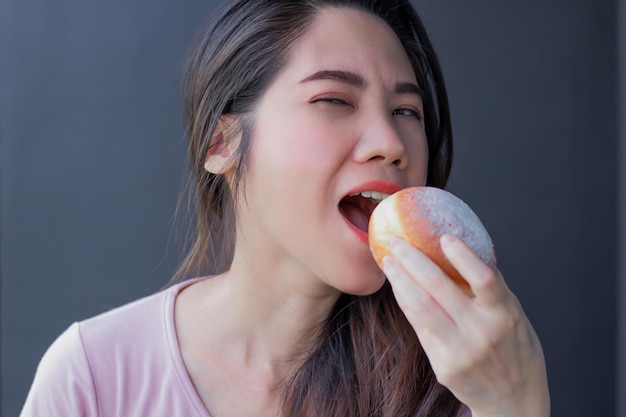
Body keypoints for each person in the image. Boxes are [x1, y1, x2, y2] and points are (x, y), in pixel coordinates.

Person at [20, 0, 551, 416]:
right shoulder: (92, 376)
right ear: (221, 144)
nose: (392, 141)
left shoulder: (463, 381)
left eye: (407, 110)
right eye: (334, 100)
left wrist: (515, 408)